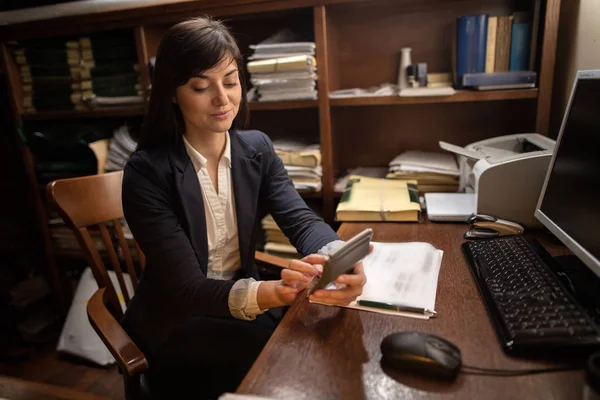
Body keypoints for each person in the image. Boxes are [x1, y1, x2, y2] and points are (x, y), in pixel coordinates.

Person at [121, 16, 368, 399]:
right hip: (177, 320)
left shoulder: (257, 149)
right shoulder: (147, 172)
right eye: (201, 86)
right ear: (172, 92)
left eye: (231, 81)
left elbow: (300, 218)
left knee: (331, 332)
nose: (223, 99)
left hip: (242, 298)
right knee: (289, 363)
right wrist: (275, 292)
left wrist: (338, 256)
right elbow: (187, 289)